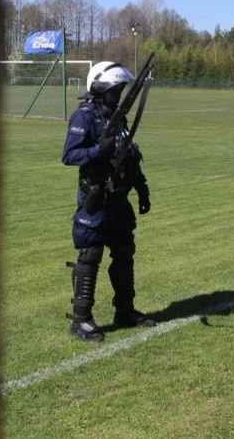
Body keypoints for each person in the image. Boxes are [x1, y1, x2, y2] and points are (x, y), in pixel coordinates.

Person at [60, 60, 155, 342]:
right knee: (91, 254)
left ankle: (124, 310)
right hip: (96, 197)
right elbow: (69, 156)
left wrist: (141, 186)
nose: (119, 94)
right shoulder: (84, 117)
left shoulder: (118, 117)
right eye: (115, 90)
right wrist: (97, 150)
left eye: (122, 89)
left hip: (119, 198)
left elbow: (128, 154)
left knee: (125, 252)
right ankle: (81, 320)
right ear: (101, 89)